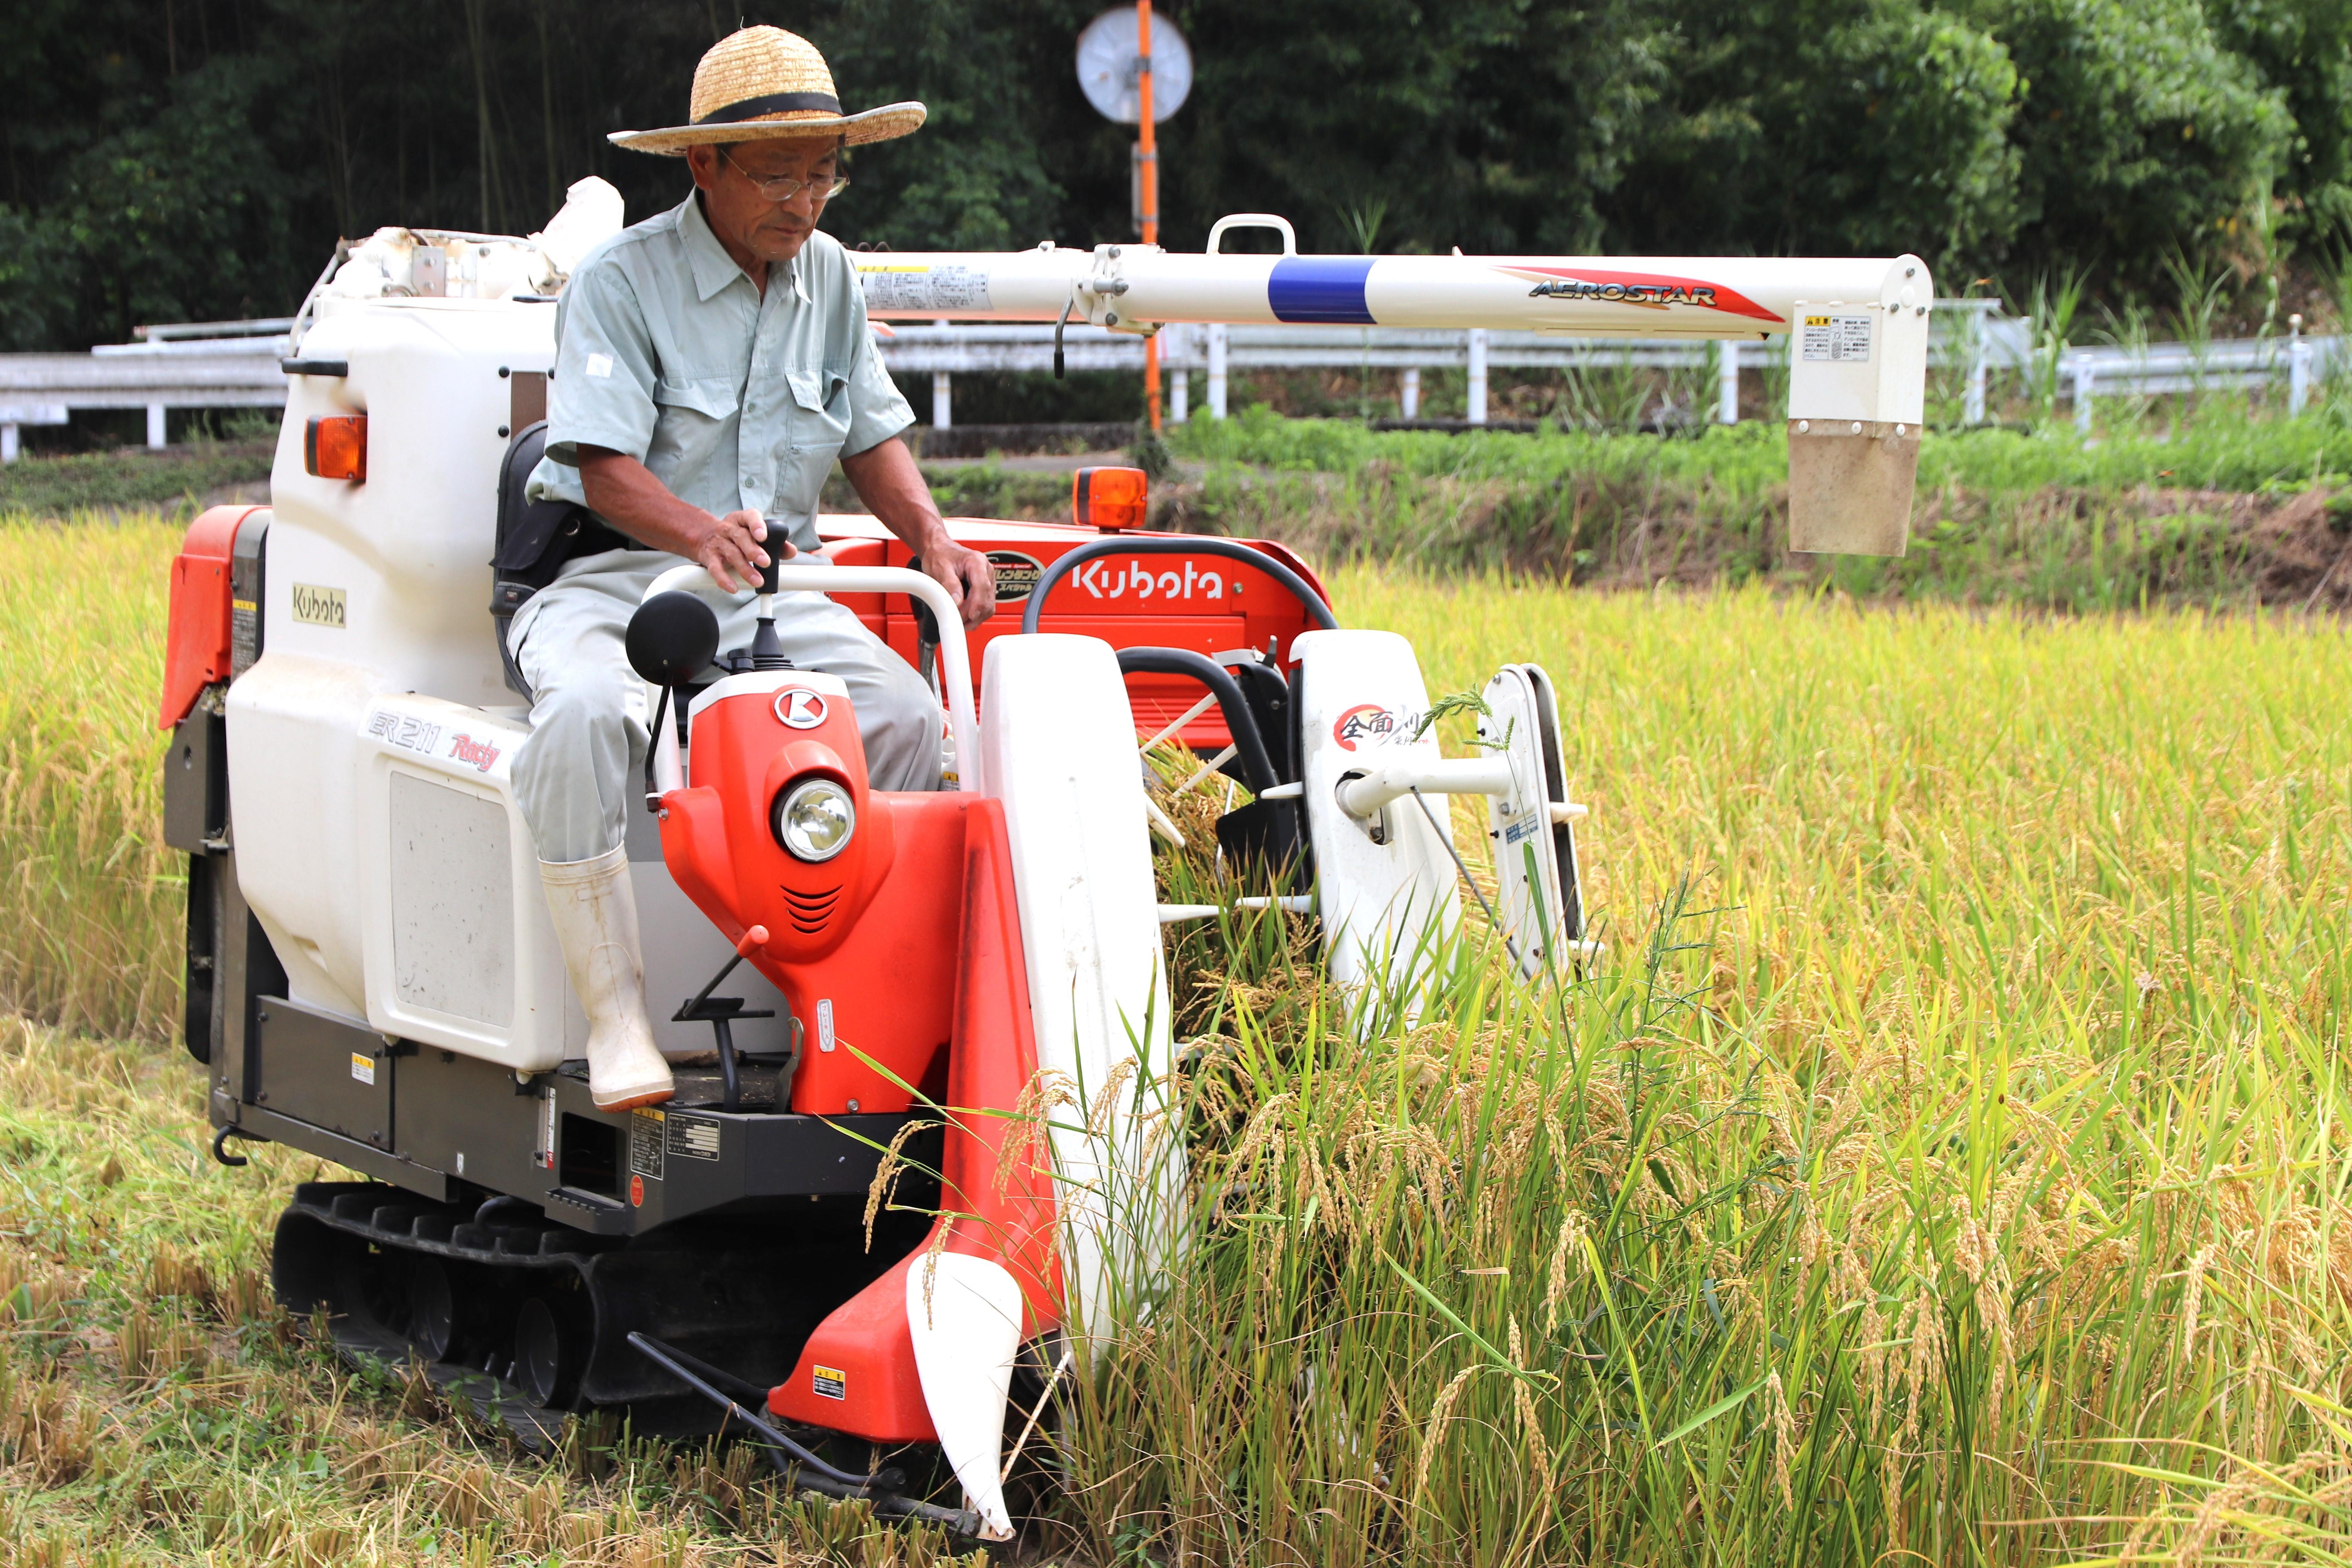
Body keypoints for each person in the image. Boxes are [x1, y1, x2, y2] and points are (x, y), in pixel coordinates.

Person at [511, 25, 995, 1111]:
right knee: (586, 714)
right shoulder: (622, 281)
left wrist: (933, 536)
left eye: (824, 173)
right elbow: (596, 464)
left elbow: (871, 437)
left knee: (907, 719)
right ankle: (621, 1017)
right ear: (703, 166)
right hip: (620, 583)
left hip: (775, 593)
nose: (806, 200)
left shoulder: (827, 276)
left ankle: (862, 1000)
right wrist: (695, 533)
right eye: (779, 173)